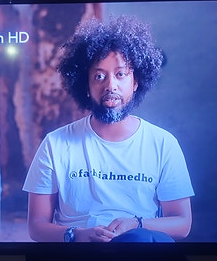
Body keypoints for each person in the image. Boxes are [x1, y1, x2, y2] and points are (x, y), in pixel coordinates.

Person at [22, 15, 194, 243]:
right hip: (77, 257)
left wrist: (137, 224)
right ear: (86, 85)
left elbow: (182, 223)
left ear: (135, 82)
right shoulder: (55, 144)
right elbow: (36, 227)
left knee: (140, 241)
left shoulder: (163, 143)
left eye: (121, 74)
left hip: (140, 253)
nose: (110, 85)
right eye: (99, 76)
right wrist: (77, 235)